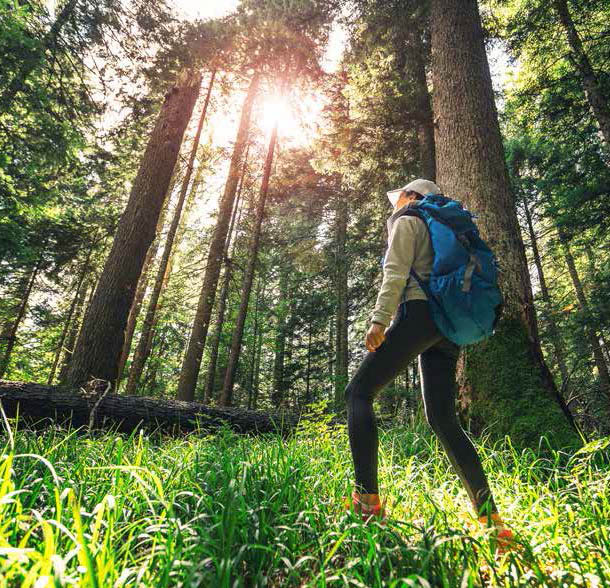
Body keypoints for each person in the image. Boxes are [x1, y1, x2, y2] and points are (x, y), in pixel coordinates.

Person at [344, 178, 516, 552]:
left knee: (358, 393)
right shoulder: (445, 224)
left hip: (419, 313)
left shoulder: (408, 218)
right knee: (442, 418)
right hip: (448, 326)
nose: (395, 204)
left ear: (411, 196)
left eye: (399, 197)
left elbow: (396, 271)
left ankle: (366, 504)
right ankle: (492, 522)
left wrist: (379, 320)